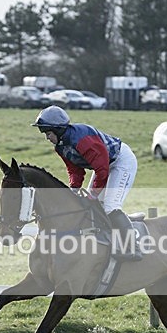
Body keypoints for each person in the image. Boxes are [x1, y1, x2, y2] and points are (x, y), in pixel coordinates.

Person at [31, 105, 141, 261]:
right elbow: (75, 170)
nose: (47, 138)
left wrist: (93, 194)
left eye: (48, 133)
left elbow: (102, 171)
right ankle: (102, 238)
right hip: (103, 166)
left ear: (58, 130)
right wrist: (74, 190)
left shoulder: (83, 141)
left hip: (121, 162)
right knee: (89, 203)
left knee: (110, 206)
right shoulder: (60, 146)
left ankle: (133, 247)